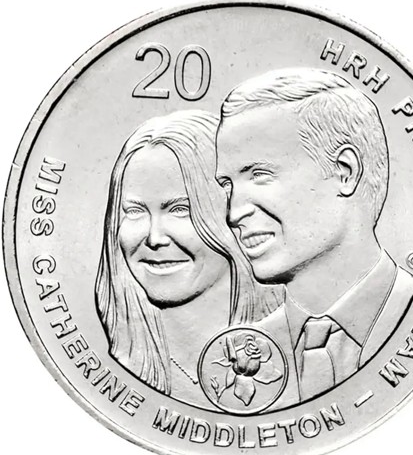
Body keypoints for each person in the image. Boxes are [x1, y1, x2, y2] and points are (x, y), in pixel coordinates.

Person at [215, 68, 413, 407]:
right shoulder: (245, 355)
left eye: (260, 175)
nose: (233, 213)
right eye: (227, 185)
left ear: (345, 172)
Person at [95, 110, 282, 407]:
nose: (154, 238)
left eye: (180, 210)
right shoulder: (117, 366)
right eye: (134, 211)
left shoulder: (308, 352)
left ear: (233, 215)